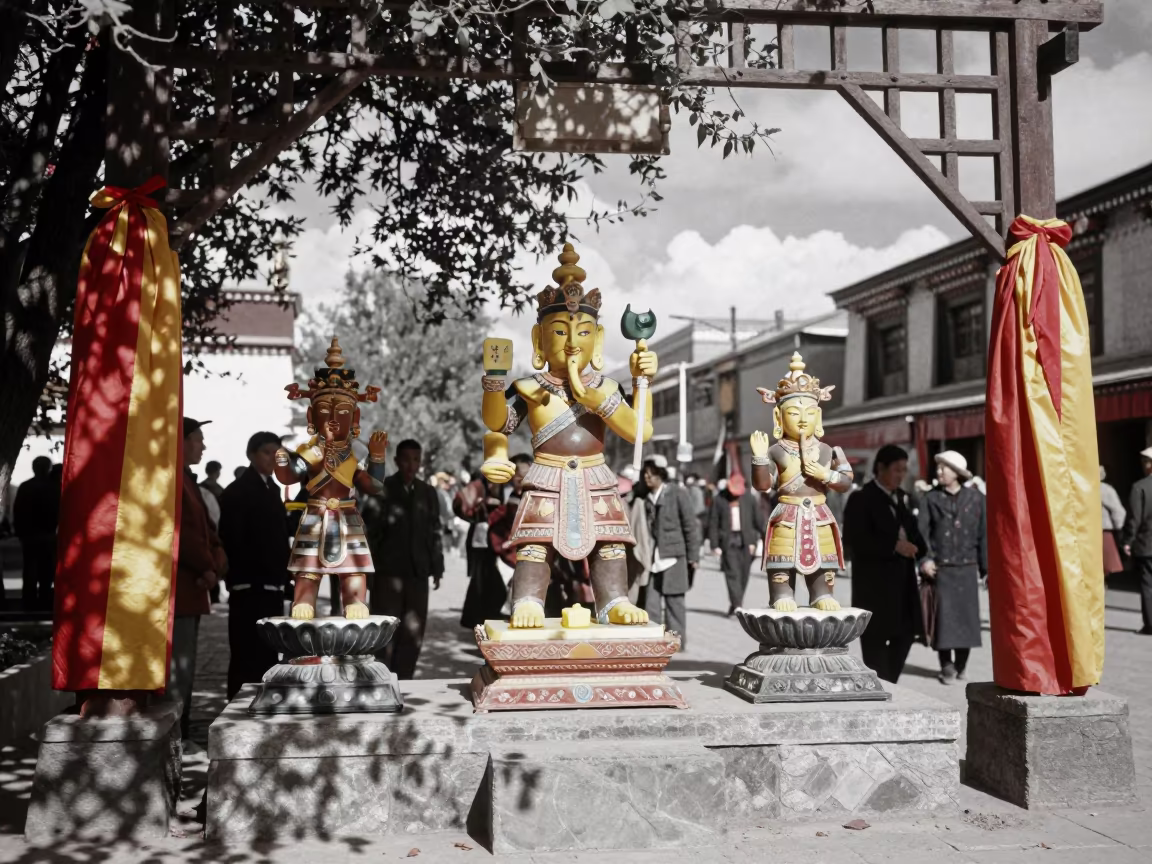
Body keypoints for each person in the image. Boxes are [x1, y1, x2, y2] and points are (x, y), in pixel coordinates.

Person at [842, 444, 926, 684]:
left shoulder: (904, 500)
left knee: (906, 637)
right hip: (874, 592)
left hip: (903, 591)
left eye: (904, 470)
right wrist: (893, 545)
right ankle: (881, 691)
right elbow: (855, 540)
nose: (901, 475)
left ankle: (889, 685)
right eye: (896, 470)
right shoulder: (861, 499)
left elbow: (918, 539)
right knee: (876, 655)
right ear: (881, 468)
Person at [218, 432, 291, 701]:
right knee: (245, 652)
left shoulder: (272, 489)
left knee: (267, 654)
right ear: (251, 455)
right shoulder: (237, 491)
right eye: (267, 453)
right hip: (248, 586)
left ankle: (264, 705)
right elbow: (233, 540)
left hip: (272, 586)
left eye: (277, 453)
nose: (273, 459)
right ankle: (238, 707)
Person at [365, 439, 445, 678]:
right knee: (386, 628)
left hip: (418, 572)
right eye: (407, 459)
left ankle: (405, 679)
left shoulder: (428, 492)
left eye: (416, 459)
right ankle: (382, 677)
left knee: (414, 630)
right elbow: (370, 531)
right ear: (396, 461)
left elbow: (435, 531)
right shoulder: (382, 489)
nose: (411, 465)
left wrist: (437, 566)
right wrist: (368, 571)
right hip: (388, 572)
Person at [173, 417, 227, 739]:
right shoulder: (171, 480)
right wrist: (206, 567)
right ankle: (175, 734)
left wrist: (216, 561)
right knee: (178, 668)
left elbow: (208, 530)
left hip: (194, 586)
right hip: (180, 586)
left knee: (187, 665)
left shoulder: (188, 480)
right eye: (198, 439)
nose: (203, 446)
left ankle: (182, 728)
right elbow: (185, 535)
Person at [918, 451, 987, 684]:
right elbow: (921, 534)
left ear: (957, 472)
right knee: (943, 621)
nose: (939, 472)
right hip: (941, 568)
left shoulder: (977, 499)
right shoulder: (930, 498)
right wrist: (924, 560)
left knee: (966, 621)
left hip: (967, 568)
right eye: (938, 468)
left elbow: (984, 535)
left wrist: (986, 569)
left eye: (944, 468)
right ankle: (946, 666)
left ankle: (962, 665)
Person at [642, 459, 700, 647]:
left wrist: (693, 556)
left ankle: (676, 641)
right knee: (651, 602)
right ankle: (654, 641)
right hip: (653, 558)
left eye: (651, 474)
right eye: (645, 474)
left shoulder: (677, 493)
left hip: (674, 556)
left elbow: (690, 525)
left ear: (661, 474)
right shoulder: (646, 497)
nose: (647, 477)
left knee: (675, 602)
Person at [484, 454, 534, 621]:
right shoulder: (512, 497)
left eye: (524, 476)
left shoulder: (538, 495)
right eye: (517, 478)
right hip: (512, 553)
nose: (520, 481)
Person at [707, 471, 766, 614]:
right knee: (732, 573)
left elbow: (758, 520)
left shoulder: (749, 498)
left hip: (747, 541)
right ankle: (738, 604)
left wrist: (767, 537)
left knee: (744, 574)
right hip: (728, 541)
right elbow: (713, 522)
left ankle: (735, 603)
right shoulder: (719, 499)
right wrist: (714, 545)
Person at [455, 471, 502, 628]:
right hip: (482, 545)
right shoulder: (480, 488)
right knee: (481, 579)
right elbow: (460, 503)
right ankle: (478, 618)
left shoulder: (508, 486)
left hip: (503, 543)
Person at [13, 455, 59, 612]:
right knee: (47, 570)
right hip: (47, 534)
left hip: (29, 535)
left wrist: (20, 532)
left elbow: (17, 511)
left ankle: (29, 601)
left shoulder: (25, 486)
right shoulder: (53, 488)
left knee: (30, 569)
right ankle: (45, 600)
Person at [1122, 448, 1152, 635]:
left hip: (1146, 544)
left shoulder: (1139, 487)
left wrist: (1128, 541)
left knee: (1148, 584)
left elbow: (1135, 518)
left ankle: (1150, 624)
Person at [1100, 466, 1126, 578]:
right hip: (1104, 530)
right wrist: (1119, 528)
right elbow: (1118, 510)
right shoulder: (1105, 489)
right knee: (1105, 565)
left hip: (1086, 530)